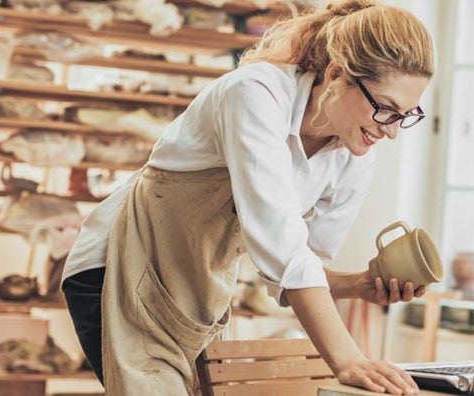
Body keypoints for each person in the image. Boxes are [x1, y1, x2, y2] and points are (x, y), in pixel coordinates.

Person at [61, 1, 434, 394]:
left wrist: (357, 285)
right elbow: (285, 253)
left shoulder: (354, 158)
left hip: (192, 300)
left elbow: (297, 275)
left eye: (406, 116)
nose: (392, 131)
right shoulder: (256, 93)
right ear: (337, 74)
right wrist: (347, 359)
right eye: (385, 110)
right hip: (115, 270)